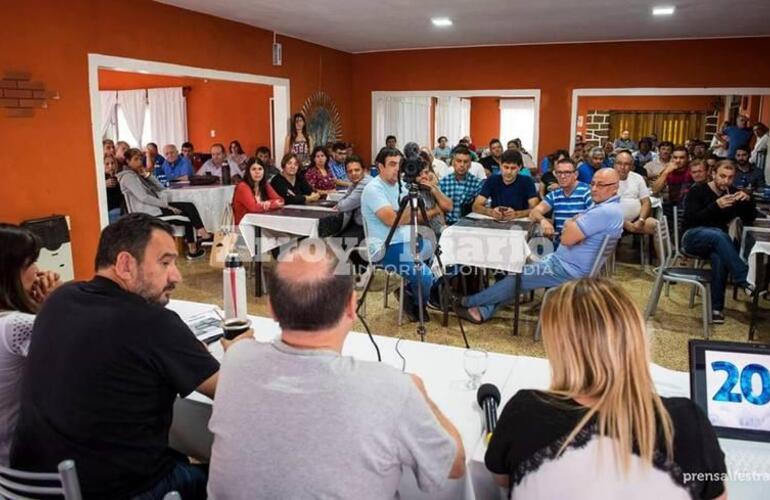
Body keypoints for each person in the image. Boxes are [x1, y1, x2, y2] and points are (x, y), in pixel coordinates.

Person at [11, 214, 251, 499]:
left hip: (28, 487)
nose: (177, 275)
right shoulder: (154, 323)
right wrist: (240, 352)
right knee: (240, 476)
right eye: (165, 262)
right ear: (125, 264)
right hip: (121, 490)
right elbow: (233, 394)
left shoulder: (59, 300)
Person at [207, 244, 464, 498]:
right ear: (352, 306)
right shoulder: (392, 389)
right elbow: (453, 464)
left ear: (271, 308)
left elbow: (240, 350)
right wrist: (419, 391)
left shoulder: (236, 360)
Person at [486, 279, 727, 500]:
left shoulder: (525, 413)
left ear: (561, 350)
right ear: (635, 339)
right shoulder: (686, 422)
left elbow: (501, 479)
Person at [457, 168, 623, 323]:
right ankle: (483, 311)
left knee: (516, 276)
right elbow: (548, 217)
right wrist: (570, 224)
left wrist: (569, 224)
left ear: (615, 187)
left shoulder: (604, 211)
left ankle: (467, 301)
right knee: (518, 268)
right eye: (593, 183)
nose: (594, 188)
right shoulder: (606, 207)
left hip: (567, 270)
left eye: (601, 185)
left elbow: (565, 239)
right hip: (564, 263)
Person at [0, 224, 60, 465]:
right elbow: (80, 356)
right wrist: (54, 302)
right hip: (29, 464)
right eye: (29, 263)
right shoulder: (17, 326)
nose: (37, 271)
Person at [361, 148, 437, 321]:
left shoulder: (401, 184)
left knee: (436, 249)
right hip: (384, 246)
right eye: (392, 164)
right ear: (380, 166)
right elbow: (392, 221)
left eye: (400, 164)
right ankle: (417, 305)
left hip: (406, 239)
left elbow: (412, 215)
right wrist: (405, 214)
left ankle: (411, 290)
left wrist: (404, 213)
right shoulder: (373, 189)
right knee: (424, 275)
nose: (397, 168)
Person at [682, 160, 756, 324]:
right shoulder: (697, 191)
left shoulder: (732, 192)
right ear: (713, 174)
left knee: (720, 255)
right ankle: (744, 278)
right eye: (722, 176)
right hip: (691, 237)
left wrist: (748, 200)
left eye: (730, 178)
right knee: (719, 235)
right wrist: (715, 206)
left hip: (716, 242)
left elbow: (749, 219)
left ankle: (716, 309)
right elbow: (691, 219)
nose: (726, 181)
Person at [118, 148, 209, 258]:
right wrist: (167, 206)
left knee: (188, 205)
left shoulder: (138, 174)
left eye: (140, 159)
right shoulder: (128, 177)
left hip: (155, 207)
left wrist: (148, 176)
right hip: (148, 212)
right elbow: (143, 198)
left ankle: (201, 232)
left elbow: (161, 188)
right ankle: (193, 250)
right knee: (187, 217)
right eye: (135, 159)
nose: (140, 162)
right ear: (128, 161)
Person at [530, 157, 592, 242]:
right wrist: (543, 221)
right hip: (560, 245)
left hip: (581, 244)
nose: (562, 176)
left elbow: (596, 217)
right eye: (559, 172)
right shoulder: (555, 194)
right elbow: (534, 212)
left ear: (576, 174)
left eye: (567, 172)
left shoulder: (587, 191)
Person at [472, 150, 538, 219]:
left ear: (519, 167)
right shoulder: (492, 180)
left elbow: (536, 209)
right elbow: (475, 206)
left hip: (519, 222)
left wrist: (517, 214)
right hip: (496, 220)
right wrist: (491, 212)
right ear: (500, 165)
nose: (509, 172)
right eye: (506, 167)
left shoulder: (527, 181)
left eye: (513, 168)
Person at [334, 155, 372, 267]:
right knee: (335, 237)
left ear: (364, 170)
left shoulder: (365, 183)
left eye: (357, 170)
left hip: (368, 228)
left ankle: (350, 274)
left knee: (336, 243)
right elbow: (344, 199)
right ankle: (358, 271)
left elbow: (344, 205)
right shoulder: (356, 183)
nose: (353, 173)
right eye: (350, 171)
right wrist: (340, 204)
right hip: (359, 223)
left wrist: (340, 205)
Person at [614, 150, 657, 235]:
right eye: (619, 163)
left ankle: (667, 248)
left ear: (631, 166)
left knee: (656, 225)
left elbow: (646, 202)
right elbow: (603, 206)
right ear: (614, 164)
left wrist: (641, 220)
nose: (622, 167)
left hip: (636, 221)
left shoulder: (637, 178)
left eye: (626, 164)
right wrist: (624, 223)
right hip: (614, 221)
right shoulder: (606, 177)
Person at [439, 146, 485, 225]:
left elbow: (480, 208)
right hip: (447, 224)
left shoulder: (476, 183)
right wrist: (443, 226)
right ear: (453, 163)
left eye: (465, 162)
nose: (462, 165)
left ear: (470, 164)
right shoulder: (443, 182)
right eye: (459, 161)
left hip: (469, 225)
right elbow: (439, 209)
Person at [232, 159, 285, 224]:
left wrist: (266, 203)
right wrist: (272, 204)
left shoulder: (264, 184)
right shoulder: (242, 186)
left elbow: (281, 201)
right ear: (248, 172)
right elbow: (253, 208)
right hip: (244, 227)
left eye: (260, 169)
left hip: (260, 223)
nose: (257, 172)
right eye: (254, 169)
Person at [416, 160, 453, 237]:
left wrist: (434, 190)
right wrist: (437, 210)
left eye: (426, 172)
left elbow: (449, 207)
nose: (424, 176)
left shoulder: (431, 187)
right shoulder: (410, 191)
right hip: (423, 235)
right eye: (419, 174)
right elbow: (418, 218)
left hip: (441, 231)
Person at [651, 145, 692, 210]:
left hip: (690, 206)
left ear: (688, 158)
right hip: (672, 207)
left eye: (682, 158)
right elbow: (655, 190)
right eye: (675, 158)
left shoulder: (692, 170)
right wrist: (666, 172)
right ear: (671, 158)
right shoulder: (668, 170)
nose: (678, 160)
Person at [104, 154, 123, 224]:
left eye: (112, 163)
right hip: (112, 211)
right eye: (107, 164)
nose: (110, 166)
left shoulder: (117, 177)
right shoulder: (103, 179)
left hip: (121, 210)